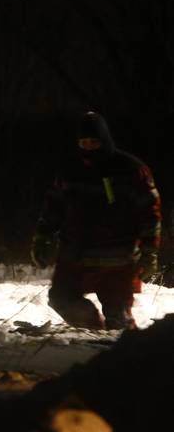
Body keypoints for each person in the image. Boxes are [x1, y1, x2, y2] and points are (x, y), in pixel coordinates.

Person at [31, 111, 161, 330]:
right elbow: (54, 206)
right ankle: (93, 331)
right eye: (84, 142)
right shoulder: (70, 170)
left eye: (94, 141)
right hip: (76, 254)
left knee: (118, 319)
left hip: (118, 258)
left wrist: (150, 251)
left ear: (105, 140)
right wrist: (42, 236)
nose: (89, 147)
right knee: (61, 298)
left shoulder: (130, 169)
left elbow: (150, 211)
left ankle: (125, 351)